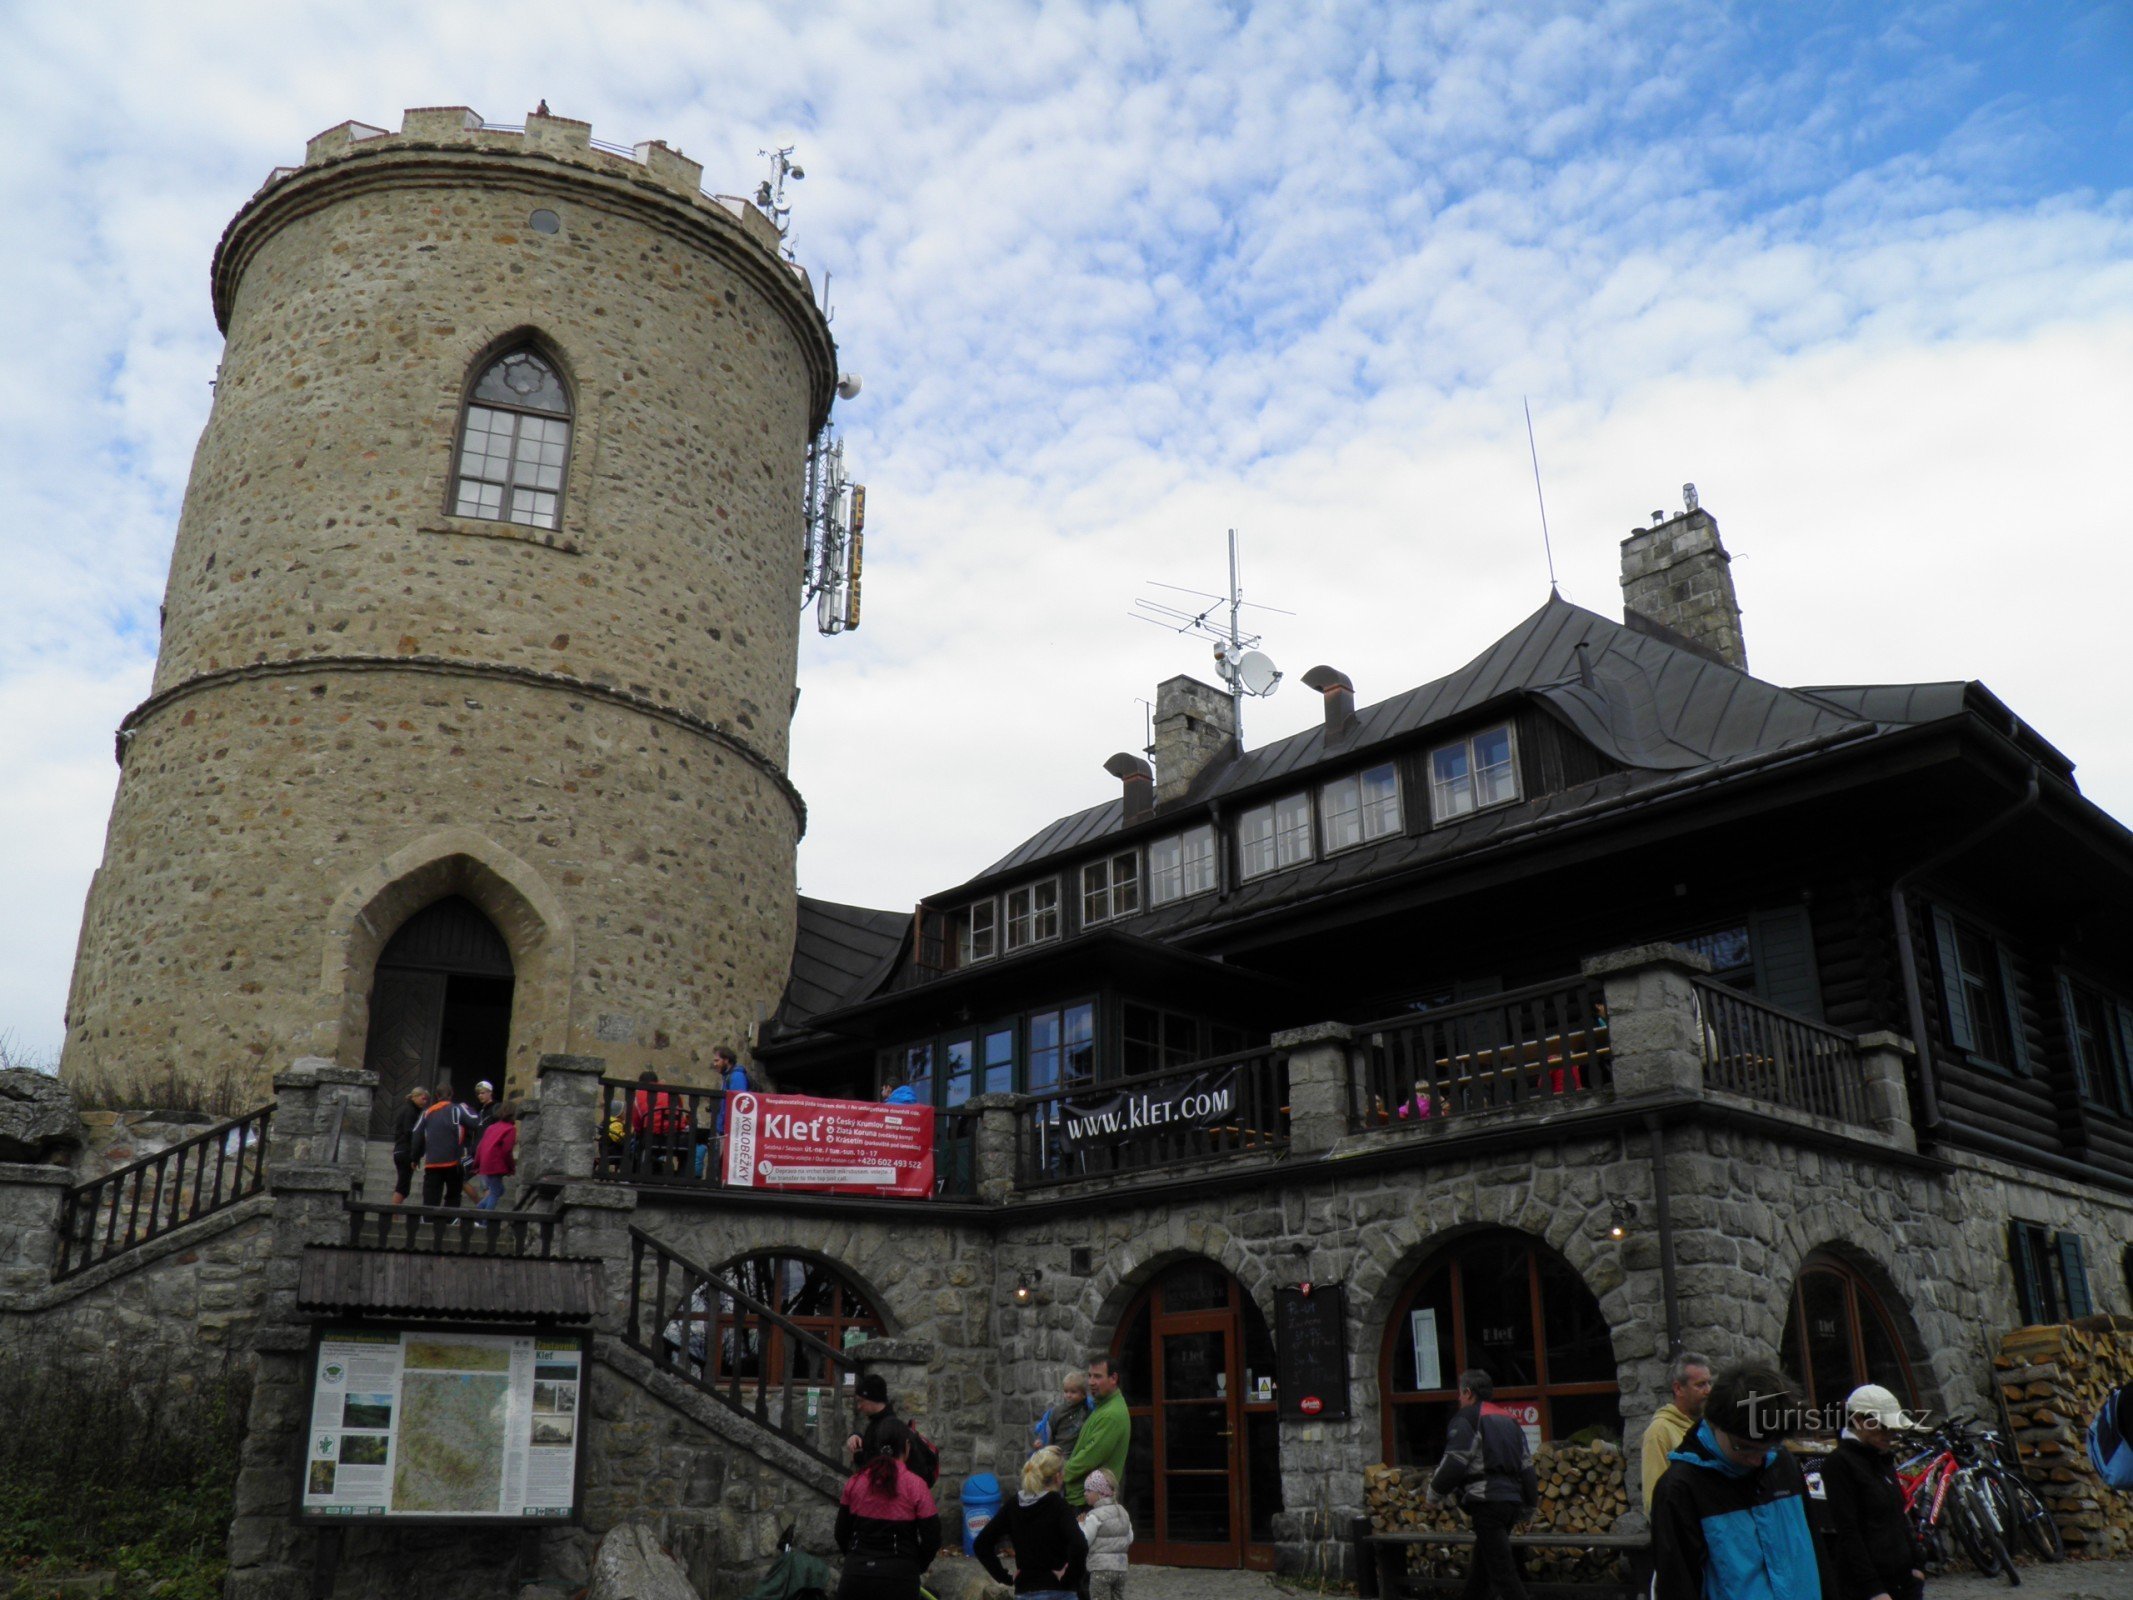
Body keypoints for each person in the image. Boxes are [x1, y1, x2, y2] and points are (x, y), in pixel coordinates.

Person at [1651, 1362, 1834, 1600]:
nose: (1757, 1461)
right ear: (1716, 1424)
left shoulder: (1781, 1462)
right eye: (1745, 1448)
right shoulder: (1679, 1489)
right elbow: (1677, 1586)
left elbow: (1816, 1552)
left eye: (1767, 1448)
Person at [1430, 1368, 1538, 1600]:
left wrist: (1433, 1495)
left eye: (1460, 1393)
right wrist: (1530, 1507)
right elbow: (1527, 1468)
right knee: (1481, 1574)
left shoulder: (1467, 1418)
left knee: (1504, 1575)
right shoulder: (1511, 1421)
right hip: (1511, 1503)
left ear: (1468, 1392)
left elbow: (1454, 1464)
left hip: (1487, 1503)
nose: (1458, 1399)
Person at [1819, 1384, 1925, 1600]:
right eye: (1884, 1427)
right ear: (1859, 1420)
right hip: (1869, 1588)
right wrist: (1873, 1589)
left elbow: (1898, 1515)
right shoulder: (1839, 1464)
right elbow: (1848, 1530)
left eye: (1893, 1428)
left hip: (1904, 1580)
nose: (1891, 1434)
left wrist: (1917, 1565)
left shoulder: (1880, 1457)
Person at [834, 1417, 940, 1600]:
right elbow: (932, 1537)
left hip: (855, 1577)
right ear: (907, 1447)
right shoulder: (916, 1486)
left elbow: (840, 1532)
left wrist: (855, 1558)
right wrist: (916, 1565)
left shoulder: (855, 1482)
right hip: (900, 1579)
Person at [974, 1446, 1087, 1599]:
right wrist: (1069, 1578)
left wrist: (1003, 1576)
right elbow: (1080, 1544)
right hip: (1059, 1591)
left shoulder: (1014, 1505)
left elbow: (981, 1544)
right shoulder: (1057, 1504)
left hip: (1025, 1590)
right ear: (1058, 1476)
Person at [1641, 1350, 1714, 1511]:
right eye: (1700, 1385)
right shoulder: (1659, 1431)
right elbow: (1654, 1498)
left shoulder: (1709, 1428)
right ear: (1678, 1389)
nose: (1708, 1390)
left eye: (1709, 1383)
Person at [1063, 1355, 1129, 1510]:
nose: (1091, 1382)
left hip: (1088, 1503)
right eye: (1090, 1376)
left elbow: (1089, 1457)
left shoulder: (1111, 1414)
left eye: (1097, 1376)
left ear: (1113, 1378)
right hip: (1084, 1498)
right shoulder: (1102, 1406)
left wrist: (1058, 1474)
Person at [1076, 1468, 1133, 1600]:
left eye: (1089, 1490)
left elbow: (1085, 1541)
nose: (1085, 1494)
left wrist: (1081, 1525)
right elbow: (1130, 1537)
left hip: (1100, 1569)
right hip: (1121, 1568)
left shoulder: (1094, 1516)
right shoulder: (1123, 1512)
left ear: (1101, 1493)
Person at [416, 1081, 467, 1207]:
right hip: (453, 1161)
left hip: (432, 1162)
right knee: (453, 1194)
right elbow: (475, 1122)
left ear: (436, 1096)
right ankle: (451, 1220)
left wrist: (415, 1156)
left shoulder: (427, 1112)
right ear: (451, 1094)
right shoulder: (458, 1109)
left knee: (431, 1196)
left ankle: (427, 1220)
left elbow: (417, 1133)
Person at [847, 1372, 900, 1469]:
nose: (859, 1407)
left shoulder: (887, 1428)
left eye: (860, 1401)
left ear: (871, 1399)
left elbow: (877, 1467)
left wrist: (856, 1455)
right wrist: (857, 1437)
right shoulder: (879, 1422)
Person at [472, 1101, 517, 1212]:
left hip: (485, 1163)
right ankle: (483, 1219)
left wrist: (477, 1164)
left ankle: (479, 1211)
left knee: (499, 1190)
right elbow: (507, 1150)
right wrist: (511, 1167)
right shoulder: (510, 1129)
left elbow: (480, 1147)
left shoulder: (491, 1127)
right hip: (497, 1164)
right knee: (496, 1192)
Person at [388, 1086, 429, 1205]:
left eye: (426, 1099)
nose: (425, 1101)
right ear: (415, 1097)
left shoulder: (409, 1109)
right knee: (403, 1186)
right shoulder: (411, 1111)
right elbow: (410, 1132)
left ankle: (394, 1213)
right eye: (423, 1098)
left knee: (403, 1184)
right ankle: (393, 1214)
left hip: (400, 1150)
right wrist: (415, 1154)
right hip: (405, 1151)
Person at [1033, 1368, 1089, 1456]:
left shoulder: (1087, 1410)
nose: (1068, 1395)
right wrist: (1041, 1442)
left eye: (1073, 1392)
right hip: (1057, 1454)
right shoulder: (1057, 1412)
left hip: (1076, 1455)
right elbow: (1048, 1431)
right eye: (1066, 1391)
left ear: (1083, 1394)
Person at [714, 1046, 749, 1179]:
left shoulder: (736, 1076)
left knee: (722, 1167)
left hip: (729, 1130)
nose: (715, 1064)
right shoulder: (728, 1077)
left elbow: (739, 1103)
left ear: (726, 1060)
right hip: (724, 1128)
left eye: (717, 1060)